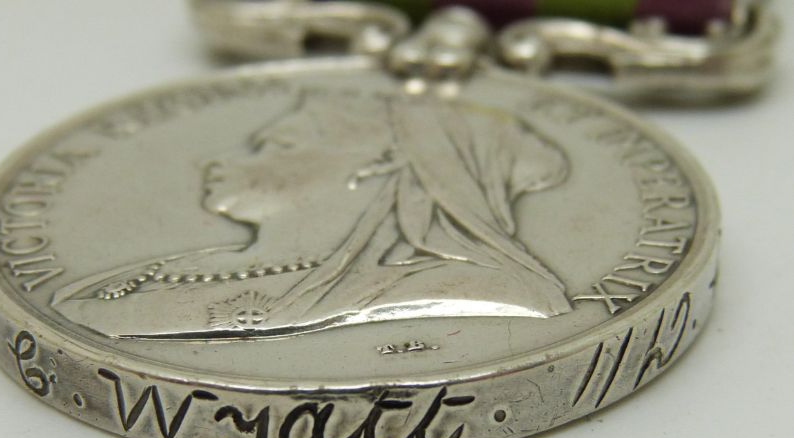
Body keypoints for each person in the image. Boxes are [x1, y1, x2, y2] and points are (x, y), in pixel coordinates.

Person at [52, 92, 572, 340]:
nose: (218, 161)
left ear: (382, 161)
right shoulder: (165, 268)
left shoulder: (485, 293)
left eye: (278, 145)